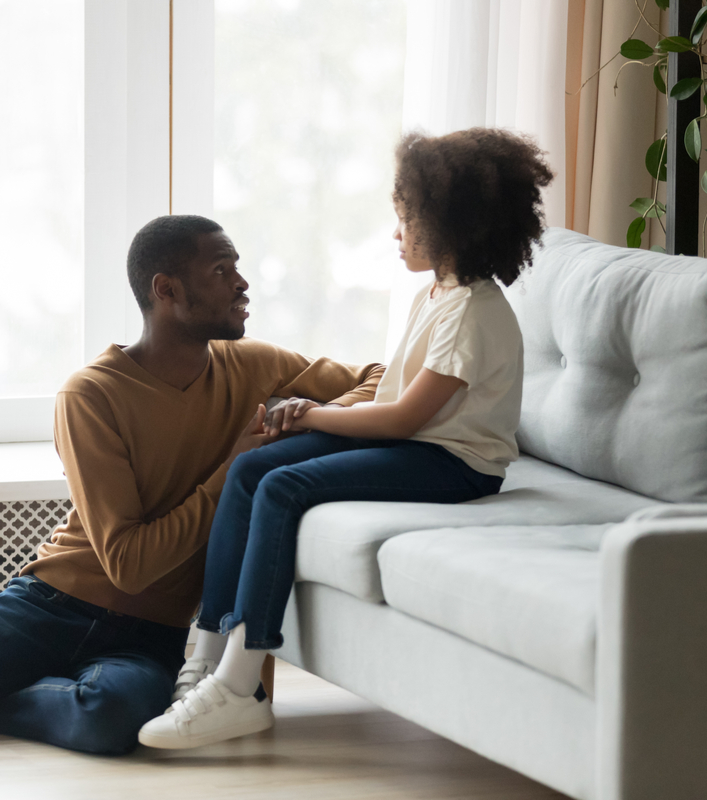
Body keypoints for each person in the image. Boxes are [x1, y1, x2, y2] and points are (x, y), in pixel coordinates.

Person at [0, 214, 386, 755]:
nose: (243, 284)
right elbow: (130, 565)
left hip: (152, 635)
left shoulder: (257, 366)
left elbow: (383, 378)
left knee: (118, 721)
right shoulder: (92, 396)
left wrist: (303, 418)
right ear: (167, 289)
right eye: (222, 270)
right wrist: (237, 467)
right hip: (49, 609)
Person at [137, 128, 554, 750]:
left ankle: (238, 685)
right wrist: (308, 416)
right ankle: (204, 660)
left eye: (405, 220)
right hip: (418, 446)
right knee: (254, 468)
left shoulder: (472, 313)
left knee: (282, 485)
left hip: (457, 463)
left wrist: (311, 414)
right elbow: (392, 410)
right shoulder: (437, 294)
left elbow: (402, 422)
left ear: (450, 224)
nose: (397, 235)